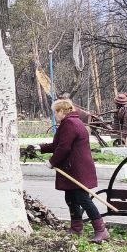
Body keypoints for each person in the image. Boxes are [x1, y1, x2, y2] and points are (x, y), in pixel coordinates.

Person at [43, 98, 109, 242]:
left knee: (83, 198)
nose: (55, 115)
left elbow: (63, 148)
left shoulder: (70, 124)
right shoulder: (72, 122)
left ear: (61, 111)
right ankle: (76, 228)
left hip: (77, 169)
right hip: (74, 168)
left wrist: (52, 162)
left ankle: (101, 230)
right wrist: (40, 147)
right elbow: (58, 144)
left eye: (55, 112)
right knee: (71, 198)